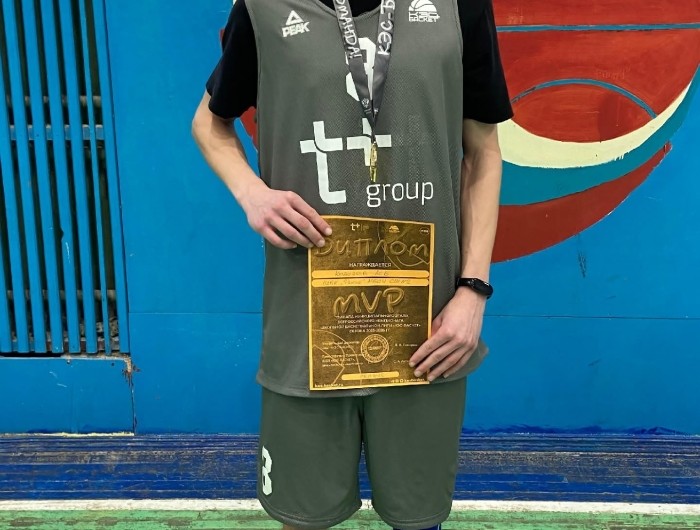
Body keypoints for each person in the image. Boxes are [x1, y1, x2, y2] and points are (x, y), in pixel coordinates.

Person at [192, 0, 512, 528]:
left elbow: (483, 151)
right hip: (307, 323)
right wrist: (252, 194)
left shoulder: (459, 6)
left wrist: (473, 289)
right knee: (303, 516)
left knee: (419, 518)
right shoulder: (266, 7)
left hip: (425, 328)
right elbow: (209, 122)